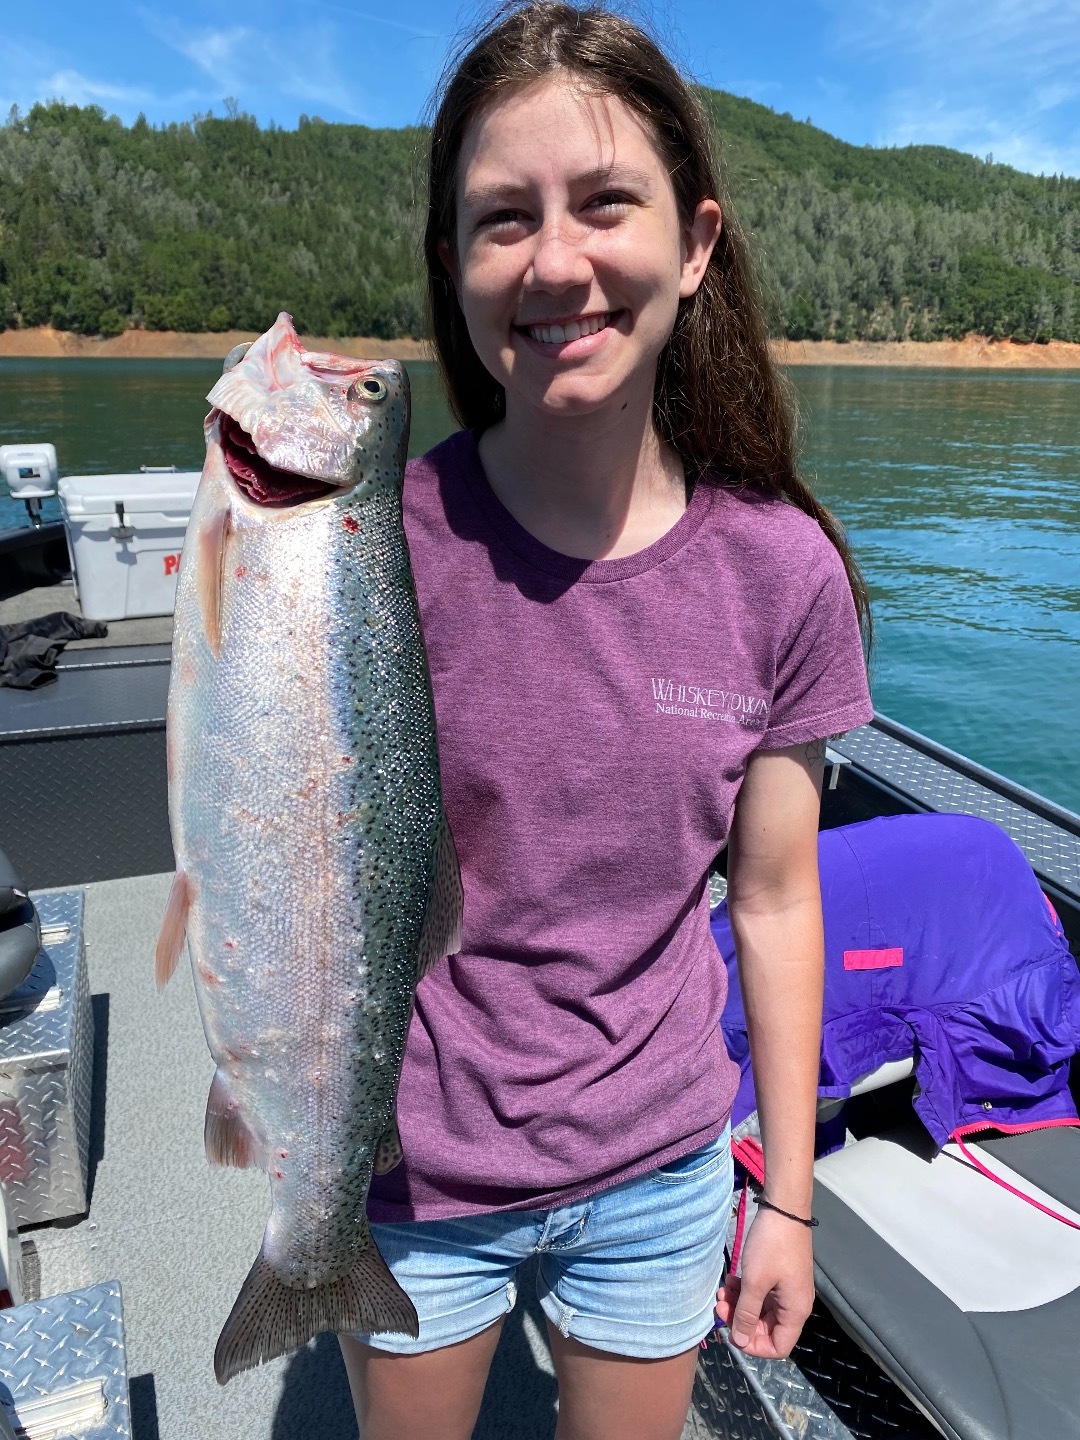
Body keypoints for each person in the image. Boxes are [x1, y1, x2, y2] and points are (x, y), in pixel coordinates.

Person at [340, 4, 873, 1437]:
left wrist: (791, 1204)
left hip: (660, 1166)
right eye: (502, 219)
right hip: (408, 1172)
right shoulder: (363, 547)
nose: (556, 260)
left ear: (693, 246)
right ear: (453, 267)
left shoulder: (782, 575)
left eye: (605, 205)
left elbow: (772, 902)